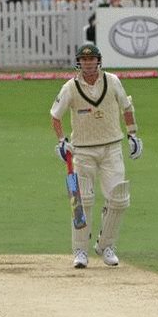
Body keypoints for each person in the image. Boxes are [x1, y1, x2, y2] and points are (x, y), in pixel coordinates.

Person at [49, 43, 140, 270]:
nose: (88, 64)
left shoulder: (113, 81)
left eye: (92, 60)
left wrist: (133, 135)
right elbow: (55, 116)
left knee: (119, 197)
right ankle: (80, 250)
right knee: (83, 201)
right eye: (84, 60)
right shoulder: (70, 87)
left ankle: (106, 246)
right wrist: (62, 142)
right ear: (79, 62)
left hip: (111, 148)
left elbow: (126, 108)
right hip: (82, 151)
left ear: (98, 61)